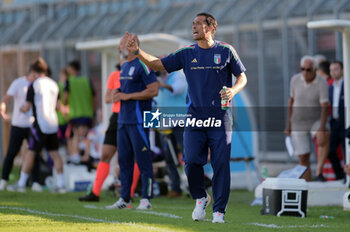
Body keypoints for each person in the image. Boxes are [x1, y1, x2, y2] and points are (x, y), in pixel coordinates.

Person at [125, 12, 247, 223]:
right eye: (193, 23)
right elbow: (157, 64)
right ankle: (200, 197)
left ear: (210, 28)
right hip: (194, 118)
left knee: (220, 164)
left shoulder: (226, 50)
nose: (194, 27)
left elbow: (242, 76)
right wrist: (137, 51)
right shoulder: (185, 53)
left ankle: (219, 212)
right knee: (190, 161)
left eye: (199, 23)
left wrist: (233, 91)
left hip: (221, 117)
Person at [106, 34, 158, 210]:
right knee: (124, 161)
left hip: (139, 121)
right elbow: (125, 90)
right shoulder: (125, 66)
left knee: (144, 161)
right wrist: (118, 93)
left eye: (122, 44)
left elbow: (154, 90)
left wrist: (126, 96)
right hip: (123, 120)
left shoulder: (144, 65)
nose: (120, 47)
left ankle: (146, 199)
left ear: (131, 45)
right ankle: (125, 199)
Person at [7, 58, 65, 193]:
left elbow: (27, 107)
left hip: (40, 124)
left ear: (34, 72)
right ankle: (61, 185)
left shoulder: (34, 85)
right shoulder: (54, 84)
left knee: (31, 152)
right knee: (55, 153)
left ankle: (21, 183)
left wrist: (20, 109)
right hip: (53, 124)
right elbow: (58, 106)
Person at [78, 67, 121, 202]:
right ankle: (95, 193)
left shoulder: (141, 70)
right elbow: (107, 98)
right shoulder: (115, 75)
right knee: (105, 154)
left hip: (135, 117)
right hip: (117, 117)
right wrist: (117, 94)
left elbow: (151, 91)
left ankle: (135, 195)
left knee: (132, 157)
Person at [285, 56, 330, 182]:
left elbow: (325, 106)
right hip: (298, 122)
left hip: (315, 120)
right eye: (302, 69)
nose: (305, 72)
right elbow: (291, 102)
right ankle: (307, 185)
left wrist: (321, 127)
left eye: (308, 69)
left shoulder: (321, 82)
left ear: (315, 69)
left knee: (324, 135)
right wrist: (288, 125)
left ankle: (319, 171)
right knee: (303, 157)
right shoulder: (295, 80)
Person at [0, 71, 42, 192]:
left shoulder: (38, 85)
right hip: (18, 124)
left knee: (34, 153)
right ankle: (4, 180)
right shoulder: (18, 83)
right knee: (12, 152)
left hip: (32, 125)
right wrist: (3, 106)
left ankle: (35, 182)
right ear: (32, 72)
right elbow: (6, 98)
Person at [156, 69, 187, 197]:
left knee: (187, 154)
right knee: (169, 156)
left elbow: (178, 89)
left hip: (180, 121)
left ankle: (194, 185)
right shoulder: (158, 78)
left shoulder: (177, 76)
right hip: (166, 122)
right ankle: (176, 188)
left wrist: (162, 85)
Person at [63, 60, 96, 164]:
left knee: (76, 134)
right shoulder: (87, 80)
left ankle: (76, 156)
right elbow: (93, 97)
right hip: (87, 113)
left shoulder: (69, 81)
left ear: (72, 69)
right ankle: (86, 155)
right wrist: (93, 111)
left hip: (76, 113)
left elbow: (65, 98)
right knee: (86, 135)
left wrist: (65, 105)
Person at [328, 61, 346, 180]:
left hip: (345, 122)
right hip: (334, 122)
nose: (333, 72)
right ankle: (340, 175)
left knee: (346, 150)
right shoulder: (330, 87)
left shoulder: (347, 84)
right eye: (331, 70)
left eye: (336, 69)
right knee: (330, 150)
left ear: (342, 70)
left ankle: (347, 176)